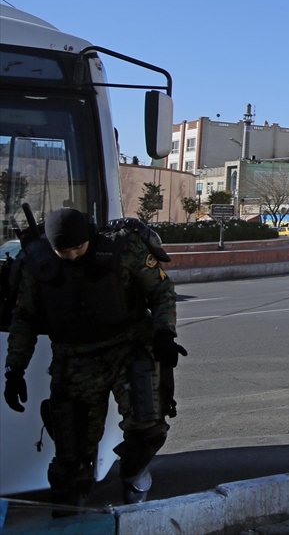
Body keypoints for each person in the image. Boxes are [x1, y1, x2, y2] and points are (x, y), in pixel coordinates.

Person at [4, 209, 184, 512]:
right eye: (64, 251)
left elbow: (161, 291)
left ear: (89, 237)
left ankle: (133, 473)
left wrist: (164, 333)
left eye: (78, 248)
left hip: (128, 348)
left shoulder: (122, 249)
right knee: (71, 454)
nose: (73, 256)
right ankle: (72, 510)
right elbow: (24, 319)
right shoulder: (38, 265)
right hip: (74, 360)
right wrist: (15, 369)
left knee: (147, 429)